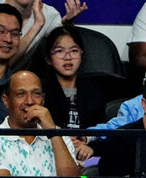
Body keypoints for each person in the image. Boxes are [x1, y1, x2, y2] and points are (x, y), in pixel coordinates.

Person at [0, 71, 79, 178]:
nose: (29, 101)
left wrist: (53, 132)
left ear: (43, 100)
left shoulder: (61, 137)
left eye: (36, 94)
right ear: (6, 101)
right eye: (21, 94)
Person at [34, 25, 110, 161]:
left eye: (74, 51)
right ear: (48, 59)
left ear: (81, 54)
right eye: (59, 51)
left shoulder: (95, 91)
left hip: (85, 159)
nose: (67, 57)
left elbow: (103, 132)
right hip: (49, 155)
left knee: (88, 176)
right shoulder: (40, 90)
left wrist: (91, 147)